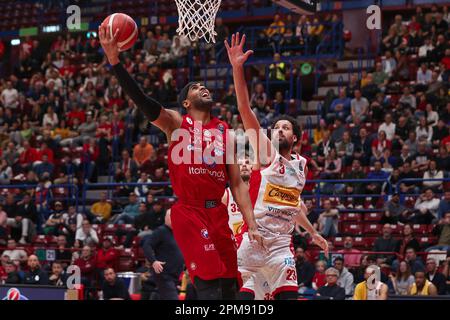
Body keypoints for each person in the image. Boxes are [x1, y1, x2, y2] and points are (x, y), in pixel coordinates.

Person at [101, 26, 263, 300]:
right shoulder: (176, 123)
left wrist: (252, 224)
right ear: (186, 102)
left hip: (217, 214)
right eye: (197, 88)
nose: (204, 88)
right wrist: (115, 62)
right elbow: (142, 100)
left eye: (205, 86)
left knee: (231, 288)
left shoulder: (224, 130)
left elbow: (236, 183)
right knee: (210, 287)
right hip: (190, 212)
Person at [225, 33, 328, 300]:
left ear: (295, 138)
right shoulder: (265, 153)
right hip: (255, 240)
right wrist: (238, 68)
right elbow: (244, 108)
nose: (279, 129)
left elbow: (293, 208)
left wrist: (314, 233)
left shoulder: (301, 166)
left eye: (286, 128)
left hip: (282, 246)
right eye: (277, 126)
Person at [142, 209, 184, 300]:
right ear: (166, 218)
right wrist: (153, 261)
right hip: (164, 275)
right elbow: (146, 245)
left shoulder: (177, 232)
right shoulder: (160, 231)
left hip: (175, 276)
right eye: (171, 216)